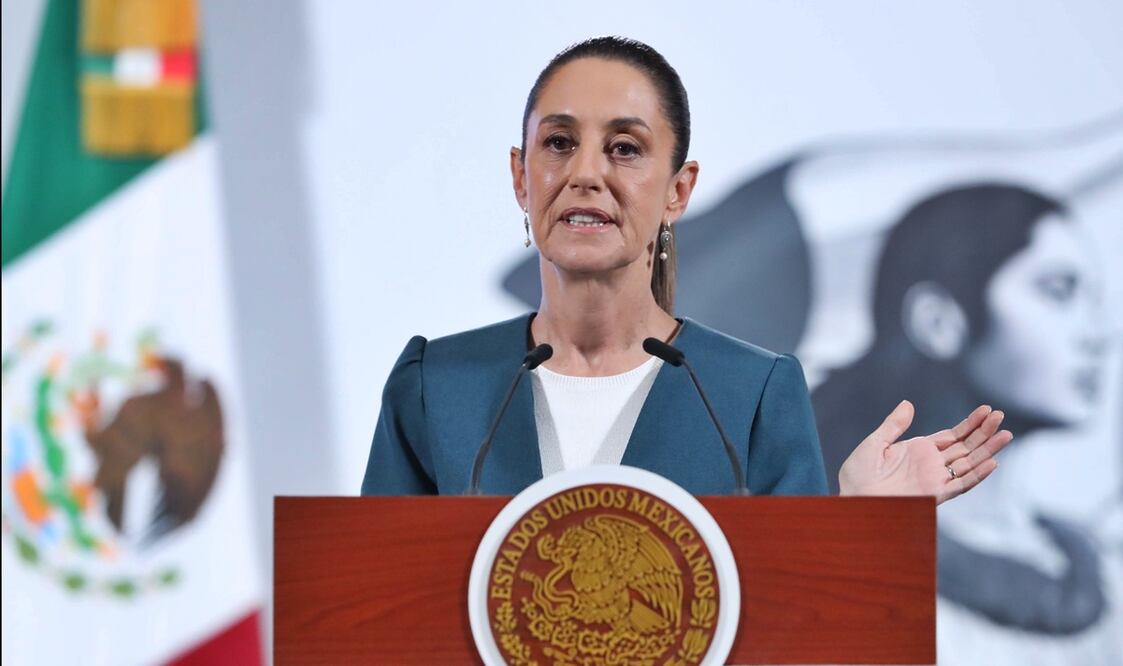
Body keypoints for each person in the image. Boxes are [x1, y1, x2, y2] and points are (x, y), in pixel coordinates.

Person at [361, 36, 1010, 500]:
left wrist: (854, 530)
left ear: (678, 190)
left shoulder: (751, 395)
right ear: (519, 175)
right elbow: (372, 621)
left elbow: (792, 638)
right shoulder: (434, 388)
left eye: (624, 148)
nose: (585, 173)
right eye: (558, 143)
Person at [812, 183, 1110, 635]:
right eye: (1059, 290)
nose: (1099, 332)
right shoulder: (823, 546)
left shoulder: (1092, 566)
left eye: (1093, 297)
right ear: (938, 320)